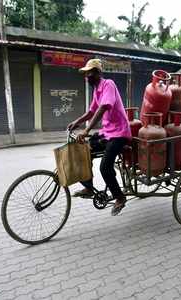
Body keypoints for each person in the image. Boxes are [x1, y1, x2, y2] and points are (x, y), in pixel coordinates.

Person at [67, 59, 132, 216]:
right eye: (85, 74)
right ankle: (89, 187)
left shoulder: (108, 84)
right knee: (83, 151)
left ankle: (120, 197)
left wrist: (87, 129)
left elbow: (103, 108)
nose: (86, 77)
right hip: (107, 132)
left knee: (105, 167)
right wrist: (77, 122)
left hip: (119, 133)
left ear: (97, 73)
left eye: (89, 73)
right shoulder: (97, 90)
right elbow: (91, 112)